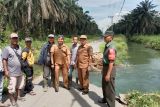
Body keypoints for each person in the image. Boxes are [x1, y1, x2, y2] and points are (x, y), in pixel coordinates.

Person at [2, 33, 25, 106]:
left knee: (19, 87)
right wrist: (6, 70)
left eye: (16, 38)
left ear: (18, 39)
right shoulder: (7, 49)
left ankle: (15, 100)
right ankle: (13, 101)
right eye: (13, 38)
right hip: (12, 73)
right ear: (10, 39)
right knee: (11, 89)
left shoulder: (20, 48)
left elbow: (21, 58)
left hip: (20, 72)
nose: (15, 39)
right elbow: (4, 60)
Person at [98, 31, 116, 107]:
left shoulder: (111, 47)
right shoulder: (107, 45)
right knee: (104, 85)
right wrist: (103, 69)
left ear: (111, 37)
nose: (104, 38)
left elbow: (111, 62)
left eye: (106, 36)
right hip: (105, 67)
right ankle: (105, 99)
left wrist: (108, 74)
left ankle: (111, 105)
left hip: (110, 69)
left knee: (110, 88)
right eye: (104, 36)